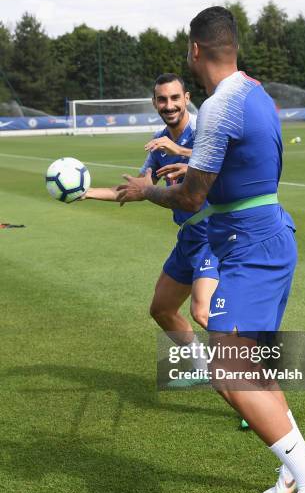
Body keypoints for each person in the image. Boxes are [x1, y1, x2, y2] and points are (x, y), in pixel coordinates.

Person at [116, 7, 305, 493]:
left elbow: (193, 197)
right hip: (263, 237)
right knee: (238, 368)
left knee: (228, 367)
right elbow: (237, 164)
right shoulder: (254, 92)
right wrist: (190, 160)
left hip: (251, 246)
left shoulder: (218, 108)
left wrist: (149, 188)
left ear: (195, 50)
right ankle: (296, 469)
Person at [84, 73, 218, 385]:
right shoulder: (159, 145)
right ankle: (201, 367)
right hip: (188, 237)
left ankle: (252, 380)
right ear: (154, 103)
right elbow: (137, 188)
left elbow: (228, 163)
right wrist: (86, 193)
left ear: (186, 98)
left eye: (174, 98)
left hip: (214, 234)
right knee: (162, 309)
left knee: (203, 312)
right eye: (162, 99)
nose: (169, 105)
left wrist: (183, 153)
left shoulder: (205, 130)